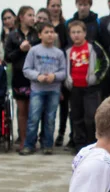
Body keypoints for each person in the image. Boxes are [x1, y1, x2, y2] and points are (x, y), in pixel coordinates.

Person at [21, 23, 66, 155]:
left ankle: (47, 145)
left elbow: (64, 72)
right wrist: (37, 76)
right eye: (46, 32)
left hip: (54, 90)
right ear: (40, 35)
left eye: (52, 32)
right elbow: (26, 69)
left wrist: (55, 76)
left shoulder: (59, 53)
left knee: (50, 118)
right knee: (34, 117)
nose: (50, 34)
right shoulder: (34, 51)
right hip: (37, 89)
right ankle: (29, 145)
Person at [65, 20, 109, 151]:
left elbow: (105, 62)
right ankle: (79, 145)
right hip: (75, 89)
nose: (76, 35)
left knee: (91, 116)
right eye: (73, 32)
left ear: (85, 33)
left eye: (79, 32)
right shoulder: (68, 50)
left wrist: (96, 78)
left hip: (91, 88)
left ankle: (93, 144)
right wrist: (67, 81)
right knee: (76, 117)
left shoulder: (93, 46)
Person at [5, 5, 40, 151]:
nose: (33, 18)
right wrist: (20, 49)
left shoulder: (37, 34)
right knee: (22, 111)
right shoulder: (13, 36)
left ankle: (33, 139)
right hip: (19, 77)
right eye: (30, 15)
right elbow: (7, 58)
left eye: (33, 15)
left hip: (36, 77)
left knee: (35, 111)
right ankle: (23, 140)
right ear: (21, 17)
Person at [47, 0, 71, 148]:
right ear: (48, 7)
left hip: (62, 68)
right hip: (45, 69)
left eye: (58, 5)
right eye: (53, 5)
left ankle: (61, 133)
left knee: (64, 104)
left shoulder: (65, 26)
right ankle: (45, 134)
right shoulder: (43, 25)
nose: (55, 8)